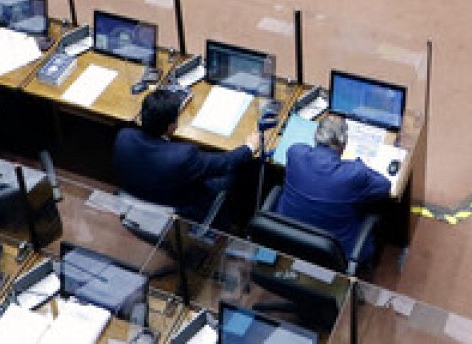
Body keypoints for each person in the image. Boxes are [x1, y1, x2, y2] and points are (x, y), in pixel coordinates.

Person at [113, 89, 258, 224]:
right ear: (171, 126)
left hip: (136, 202)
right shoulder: (183, 156)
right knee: (232, 173)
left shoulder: (124, 137)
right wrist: (250, 147)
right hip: (177, 211)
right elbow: (224, 162)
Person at [277, 113, 390, 261]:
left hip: (288, 240)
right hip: (334, 254)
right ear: (343, 144)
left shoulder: (295, 153)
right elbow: (384, 186)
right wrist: (358, 164)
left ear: (316, 136)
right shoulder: (353, 173)